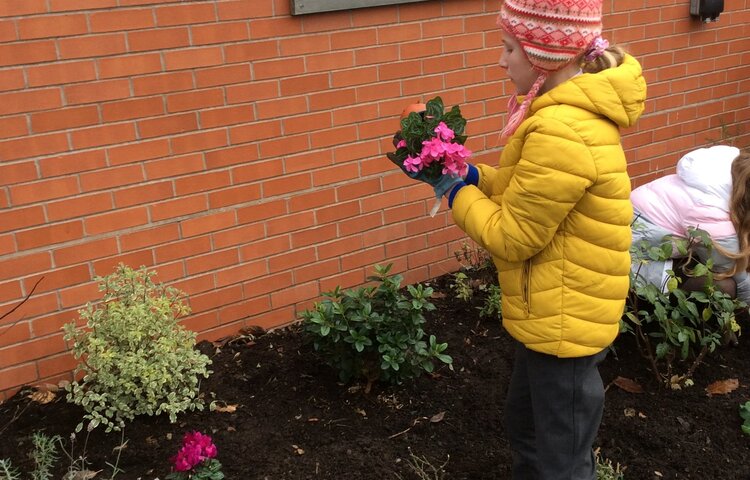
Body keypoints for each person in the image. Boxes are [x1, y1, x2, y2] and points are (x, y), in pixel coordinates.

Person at [389, 0, 647, 478]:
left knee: (561, 461)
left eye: (509, 48)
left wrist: (453, 192)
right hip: (552, 311)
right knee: (527, 428)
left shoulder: (562, 130)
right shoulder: (558, 116)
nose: (500, 59)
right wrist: (467, 173)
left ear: (542, 55)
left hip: (564, 324)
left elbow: (513, 235)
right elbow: (522, 191)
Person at [630, 145, 750, 303]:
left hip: (660, 246)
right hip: (633, 263)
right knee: (726, 286)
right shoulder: (709, 208)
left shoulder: (727, 172)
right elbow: (734, 271)